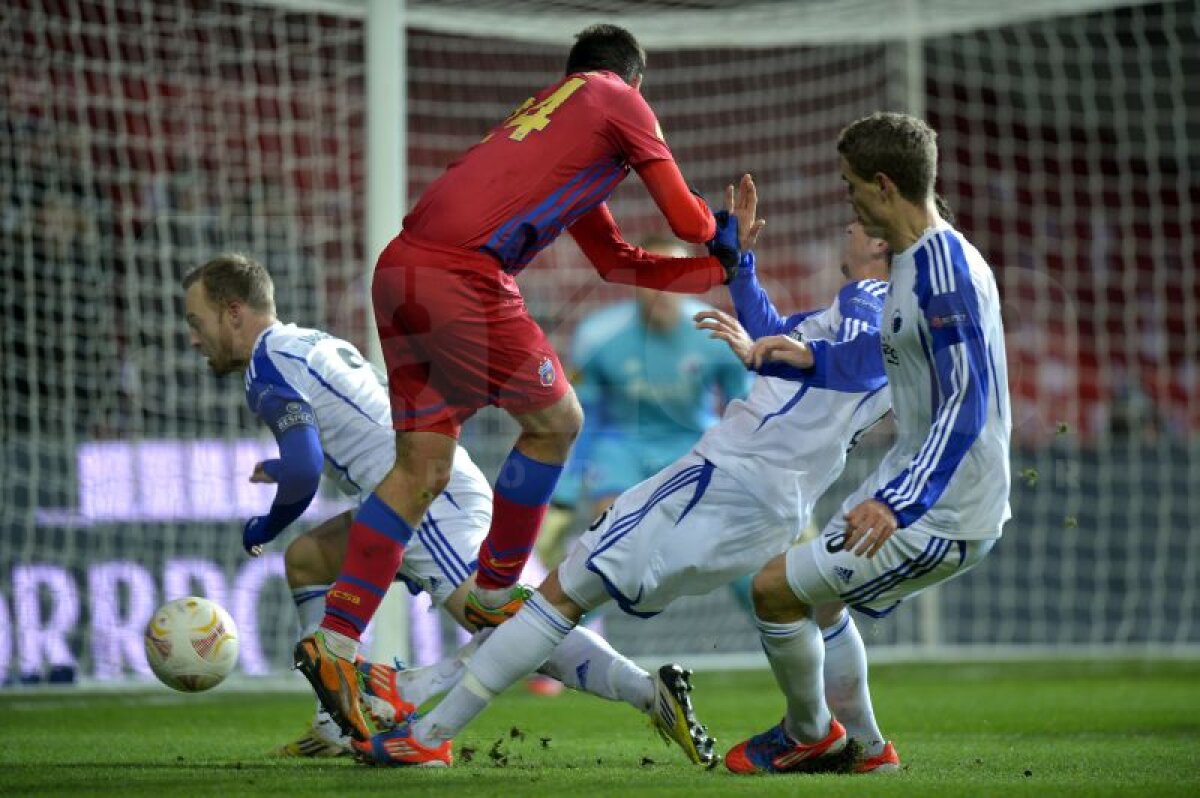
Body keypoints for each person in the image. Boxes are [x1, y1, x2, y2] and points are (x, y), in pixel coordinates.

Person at [298, 23, 753, 745]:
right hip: (462, 275)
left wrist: (715, 273)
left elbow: (616, 261)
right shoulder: (615, 97)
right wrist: (719, 232)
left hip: (400, 271)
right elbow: (684, 217)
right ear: (633, 81)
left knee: (421, 468)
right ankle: (493, 585)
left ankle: (338, 641)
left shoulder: (551, 127)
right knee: (557, 422)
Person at [354, 178, 900, 768]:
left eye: (857, 218)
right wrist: (740, 265)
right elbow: (778, 340)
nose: (846, 225)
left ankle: (429, 727)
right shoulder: (901, 324)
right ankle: (861, 743)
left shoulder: (868, 297)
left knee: (561, 592)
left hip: (723, 477)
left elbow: (849, 358)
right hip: (769, 494)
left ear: (879, 243)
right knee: (800, 598)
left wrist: (792, 355)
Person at [182, 253, 714, 763]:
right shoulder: (301, 343)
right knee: (308, 559)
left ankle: (648, 694)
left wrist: (265, 522)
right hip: (415, 487)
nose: (193, 337)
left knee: (505, 628)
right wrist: (282, 473)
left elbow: (303, 468)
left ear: (234, 313)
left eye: (196, 319)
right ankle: (333, 723)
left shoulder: (265, 367)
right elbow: (323, 444)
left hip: (425, 502)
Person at [721, 112, 1012, 776]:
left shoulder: (944, 273)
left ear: (884, 186)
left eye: (852, 187)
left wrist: (899, 503)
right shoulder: (912, 265)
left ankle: (807, 735)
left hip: (943, 507)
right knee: (815, 600)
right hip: (910, 484)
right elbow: (864, 361)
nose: (847, 199)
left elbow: (968, 399)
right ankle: (869, 752)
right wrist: (801, 355)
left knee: (773, 591)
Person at [540, 234, 751, 572]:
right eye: (653, 276)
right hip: (622, 447)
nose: (663, 288)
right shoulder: (597, 336)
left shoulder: (719, 335)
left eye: (675, 277)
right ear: (636, 280)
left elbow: (747, 415)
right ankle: (570, 616)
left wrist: (766, 482)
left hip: (694, 446)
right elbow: (583, 420)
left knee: (738, 565)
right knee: (607, 552)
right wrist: (562, 498)